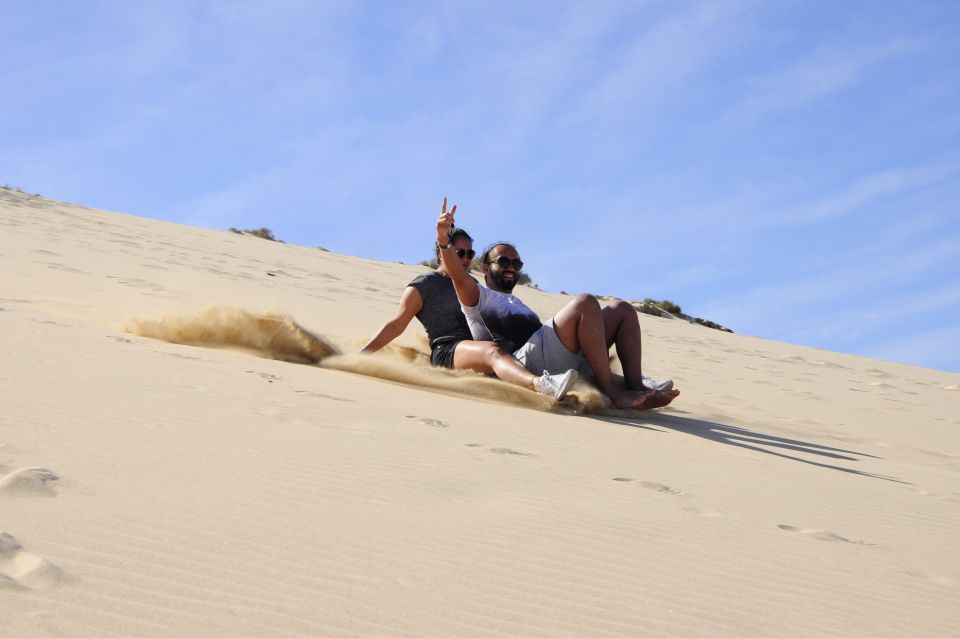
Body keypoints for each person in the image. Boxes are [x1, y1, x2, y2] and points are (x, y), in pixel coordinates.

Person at [436, 200, 679, 411]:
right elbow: (457, 274)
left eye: (517, 263)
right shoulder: (478, 296)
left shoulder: (516, 302)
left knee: (622, 310)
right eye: (504, 261)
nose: (511, 266)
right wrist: (444, 240)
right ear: (486, 268)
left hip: (556, 356)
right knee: (584, 303)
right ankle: (614, 394)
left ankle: (635, 387)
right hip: (525, 362)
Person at [360, 210, 578, 400]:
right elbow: (397, 324)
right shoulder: (424, 285)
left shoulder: (472, 284)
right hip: (450, 351)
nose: (465, 259)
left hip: (483, 347)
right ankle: (541, 385)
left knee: (498, 350)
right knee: (492, 351)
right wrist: (362, 356)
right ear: (441, 253)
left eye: (469, 253)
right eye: (459, 253)